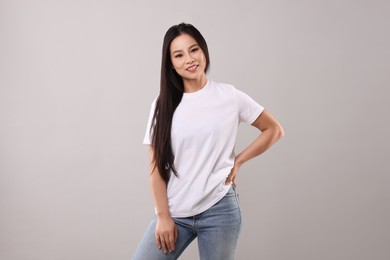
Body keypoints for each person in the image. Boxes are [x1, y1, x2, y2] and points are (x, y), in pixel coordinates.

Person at [132, 22, 284, 260]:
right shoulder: (162, 105)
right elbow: (155, 168)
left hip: (220, 210)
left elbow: (274, 130)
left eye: (194, 50)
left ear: (203, 50)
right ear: (170, 63)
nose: (189, 59)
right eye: (179, 55)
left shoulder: (229, 96)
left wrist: (239, 161)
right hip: (175, 212)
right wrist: (163, 217)